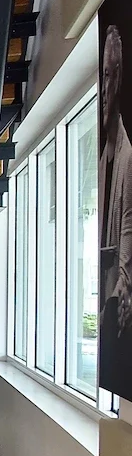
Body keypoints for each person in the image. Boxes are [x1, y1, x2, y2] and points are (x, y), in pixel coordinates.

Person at [100, 25, 132, 386]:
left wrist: (121, 277)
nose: (105, 89)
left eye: (111, 75)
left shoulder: (127, 158)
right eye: (102, 75)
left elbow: (127, 222)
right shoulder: (108, 154)